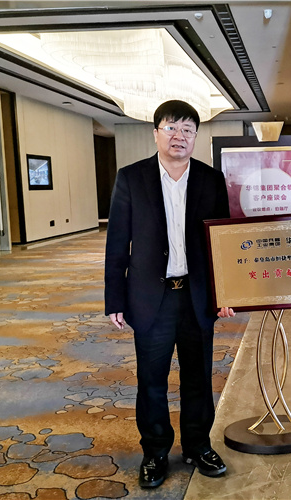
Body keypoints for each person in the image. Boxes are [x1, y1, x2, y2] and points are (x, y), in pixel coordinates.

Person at [104, 99, 235, 489]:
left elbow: (223, 242)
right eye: (171, 128)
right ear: (156, 133)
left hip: (196, 298)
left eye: (188, 130)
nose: (180, 136)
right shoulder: (132, 178)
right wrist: (115, 299)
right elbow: (117, 243)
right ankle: (155, 452)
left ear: (196, 137)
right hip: (151, 298)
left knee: (198, 378)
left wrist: (226, 292)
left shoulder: (211, 180)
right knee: (152, 381)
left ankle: (197, 446)